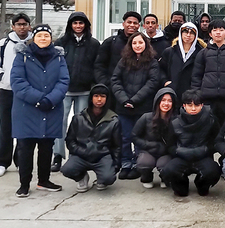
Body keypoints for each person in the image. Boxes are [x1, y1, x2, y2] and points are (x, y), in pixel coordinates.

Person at [10, 24, 70, 198]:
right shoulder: (23, 56)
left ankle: (44, 180)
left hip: (51, 108)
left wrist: (50, 99)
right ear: (33, 38)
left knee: (46, 147)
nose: (43, 38)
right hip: (27, 110)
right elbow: (17, 81)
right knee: (25, 148)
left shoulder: (58, 57)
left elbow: (64, 81)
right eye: (39, 36)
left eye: (46, 36)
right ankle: (24, 184)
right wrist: (38, 99)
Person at [52, 11, 100, 172]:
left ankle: (78, 155)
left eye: (81, 23)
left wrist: (94, 85)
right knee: (60, 123)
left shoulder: (93, 44)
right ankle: (57, 155)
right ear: (70, 25)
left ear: (86, 25)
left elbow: (97, 66)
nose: (78, 26)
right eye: (75, 23)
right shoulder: (61, 43)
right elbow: (54, 66)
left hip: (85, 90)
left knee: (82, 125)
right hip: (64, 91)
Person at [0, 13, 30, 177]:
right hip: (7, 91)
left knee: (24, 127)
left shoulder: (34, 43)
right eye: (18, 24)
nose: (21, 27)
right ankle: (3, 161)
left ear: (29, 26)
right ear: (12, 27)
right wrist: (1, 76)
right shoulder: (3, 44)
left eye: (24, 24)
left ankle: (21, 160)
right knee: (6, 126)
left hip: (27, 92)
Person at [111, 31, 160, 179]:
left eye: (140, 42)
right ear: (130, 45)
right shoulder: (124, 60)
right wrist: (124, 99)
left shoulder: (152, 62)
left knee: (139, 137)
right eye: (134, 43)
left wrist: (135, 100)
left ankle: (138, 163)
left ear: (146, 44)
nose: (137, 45)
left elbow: (152, 83)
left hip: (142, 107)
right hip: (123, 106)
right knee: (125, 137)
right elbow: (115, 80)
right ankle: (126, 164)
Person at [60, 83, 121, 192]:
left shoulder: (113, 120)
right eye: (96, 96)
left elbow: (117, 145)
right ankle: (82, 177)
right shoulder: (78, 118)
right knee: (66, 170)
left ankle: (102, 179)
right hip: (82, 155)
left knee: (109, 177)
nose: (99, 99)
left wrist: (115, 165)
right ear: (91, 98)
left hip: (102, 156)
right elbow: (70, 141)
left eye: (103, 96)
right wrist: (80, 151)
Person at [160, 90, 222, 197]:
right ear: (184, 105)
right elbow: (170, 145)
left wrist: (206, 149)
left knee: (214, 171)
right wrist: (178, 151)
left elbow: (216, 140)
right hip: (181, 156)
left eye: (197, 105)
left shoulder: (211, 120)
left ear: (202, 105)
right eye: (189, 105)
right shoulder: (174, 123)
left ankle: (201, 184)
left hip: (203, 155)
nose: (193, 108)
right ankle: (181, 184)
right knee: (168, 171)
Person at [190, 19, 225, 124]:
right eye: (215, 30)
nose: (218, 32)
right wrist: (197, 96)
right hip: (208, 99)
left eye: (221, 30)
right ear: (210, 33)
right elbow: (196, 76)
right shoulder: (203, 53)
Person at [132, 87, 178, 188]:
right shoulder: (146, 117)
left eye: (170, 101)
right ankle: (146, 177)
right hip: (148, 150)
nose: (166, 103)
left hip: (166, 152)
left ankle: (165, 178)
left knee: (165, 166)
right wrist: (147, 145)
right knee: (144, 164)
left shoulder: (176, 120)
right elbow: (134, 136)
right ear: (157, 101)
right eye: (163, 100)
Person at [94, 11, 142, 89]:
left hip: (136, 89)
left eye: (135, 23)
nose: (132, 25)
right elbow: (99, 65)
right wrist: (105, 83)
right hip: (113, 87)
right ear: (123, 24)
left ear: (138, 26)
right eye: (129, 22)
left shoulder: (143, 44)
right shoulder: (110, 42)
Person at [159, 22, 205, 99]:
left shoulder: (201, 53)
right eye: (185, 32)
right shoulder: (170, 51)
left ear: (196, 35)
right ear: (180, 33)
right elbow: (160, 69)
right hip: (173, 91)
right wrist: (165, 81)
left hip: (192, 93)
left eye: (192, 33)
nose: (188, 35)